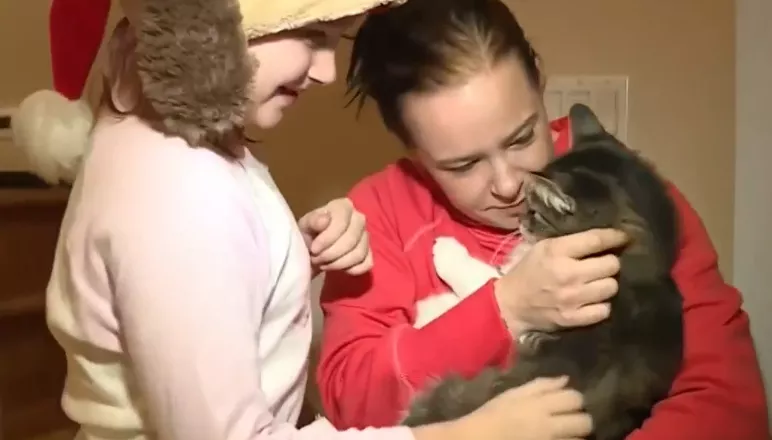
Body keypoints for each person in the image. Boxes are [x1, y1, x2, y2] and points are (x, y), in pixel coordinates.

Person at [11, 0, 597, 439]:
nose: (326, 71)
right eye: (313, 35)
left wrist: (293, 253)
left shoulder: (181, 155)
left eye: (522, 137)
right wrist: (469, 428)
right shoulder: (179, 193)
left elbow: (198, 289)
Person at [315, 0, 770, 437]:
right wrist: (507, 307)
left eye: (521, 138)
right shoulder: (380, 215)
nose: (508, 184)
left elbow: (728, 408)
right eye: (464, 165)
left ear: (539, 83)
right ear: (413, 150)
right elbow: (353, 407)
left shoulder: (627, 200)